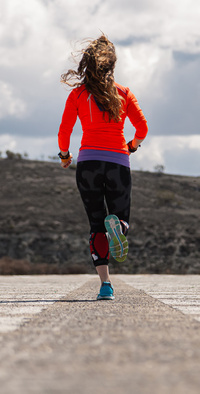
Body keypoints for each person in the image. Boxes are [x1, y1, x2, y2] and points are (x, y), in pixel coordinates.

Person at [57, 35, 148, 300]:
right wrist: (131, 145)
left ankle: (105, 285)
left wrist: (64, 156)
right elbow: (143, 128)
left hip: (88, 164)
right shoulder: (124, 93)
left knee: (96, 224)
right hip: (118, 160)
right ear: (112, 66)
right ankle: (119, 226)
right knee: (119, 216)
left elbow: (65, 131)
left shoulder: (78, 94)